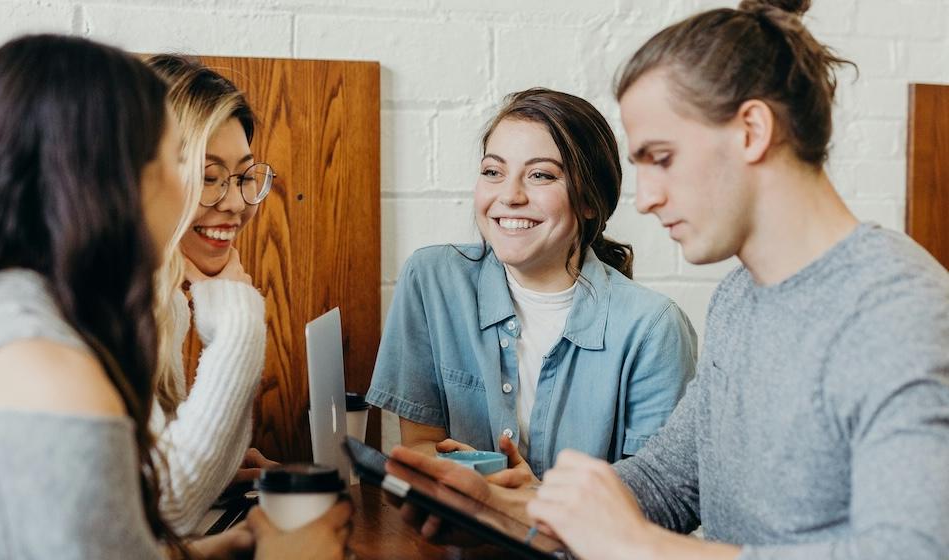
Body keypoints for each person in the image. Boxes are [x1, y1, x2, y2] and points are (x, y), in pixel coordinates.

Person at [391, 1, 949, 559]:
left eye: (662, 158)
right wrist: (514, 512)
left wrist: (639, 547)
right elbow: (667, 483)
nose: (650, 197)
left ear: (752, 131)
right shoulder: (741, 297)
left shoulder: (897, 311)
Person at [0, 34, 350, 559]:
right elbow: (153, 511)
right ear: (102, 178)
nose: (198, 193)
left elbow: (98, 539)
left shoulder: (6, 312)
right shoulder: (48, 366)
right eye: (175, 161)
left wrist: (204, 553)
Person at [368, 88, 697, 485]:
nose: (509, 196)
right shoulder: (432, 280)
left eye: (541, 175)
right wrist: (468, 477)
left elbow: (655, 498)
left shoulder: (653, 328)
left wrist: (531, 501)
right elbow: (420, 445)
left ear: (590, 200)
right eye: (493, 172)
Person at [142, 53, 278, 534]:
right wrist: (239, 320)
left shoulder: (165, 299)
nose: (237, 202)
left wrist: (217, 469)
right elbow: (167, 507)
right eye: (208, 176)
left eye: (242, 176)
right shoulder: (109, 304)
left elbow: (152, 489)